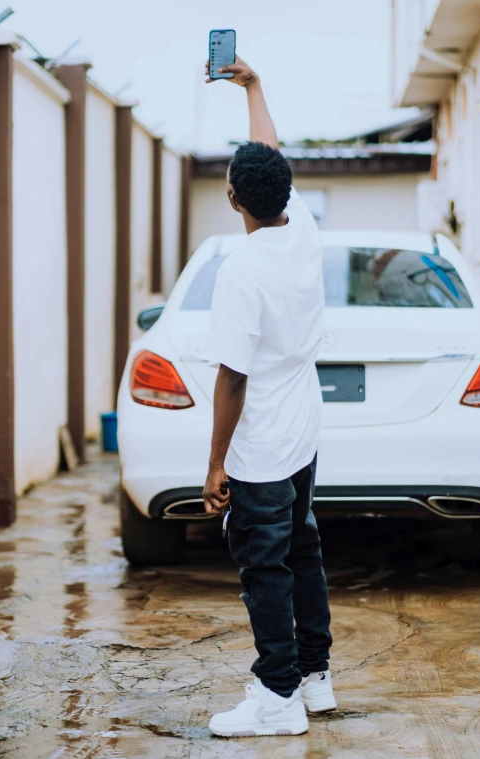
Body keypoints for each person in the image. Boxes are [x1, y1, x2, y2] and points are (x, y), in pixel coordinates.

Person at [202, 54, 334, 738]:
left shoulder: (242, 270)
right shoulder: (301, 229)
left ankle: (277, 694)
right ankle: (314, 675)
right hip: (303, 427)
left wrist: (214, 463)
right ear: (281, 192)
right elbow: (270, 155)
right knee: (302, 547)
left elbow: (231, 377)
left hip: (260, 444)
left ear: (233, 200)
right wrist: (254, 88)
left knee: (265, 565)